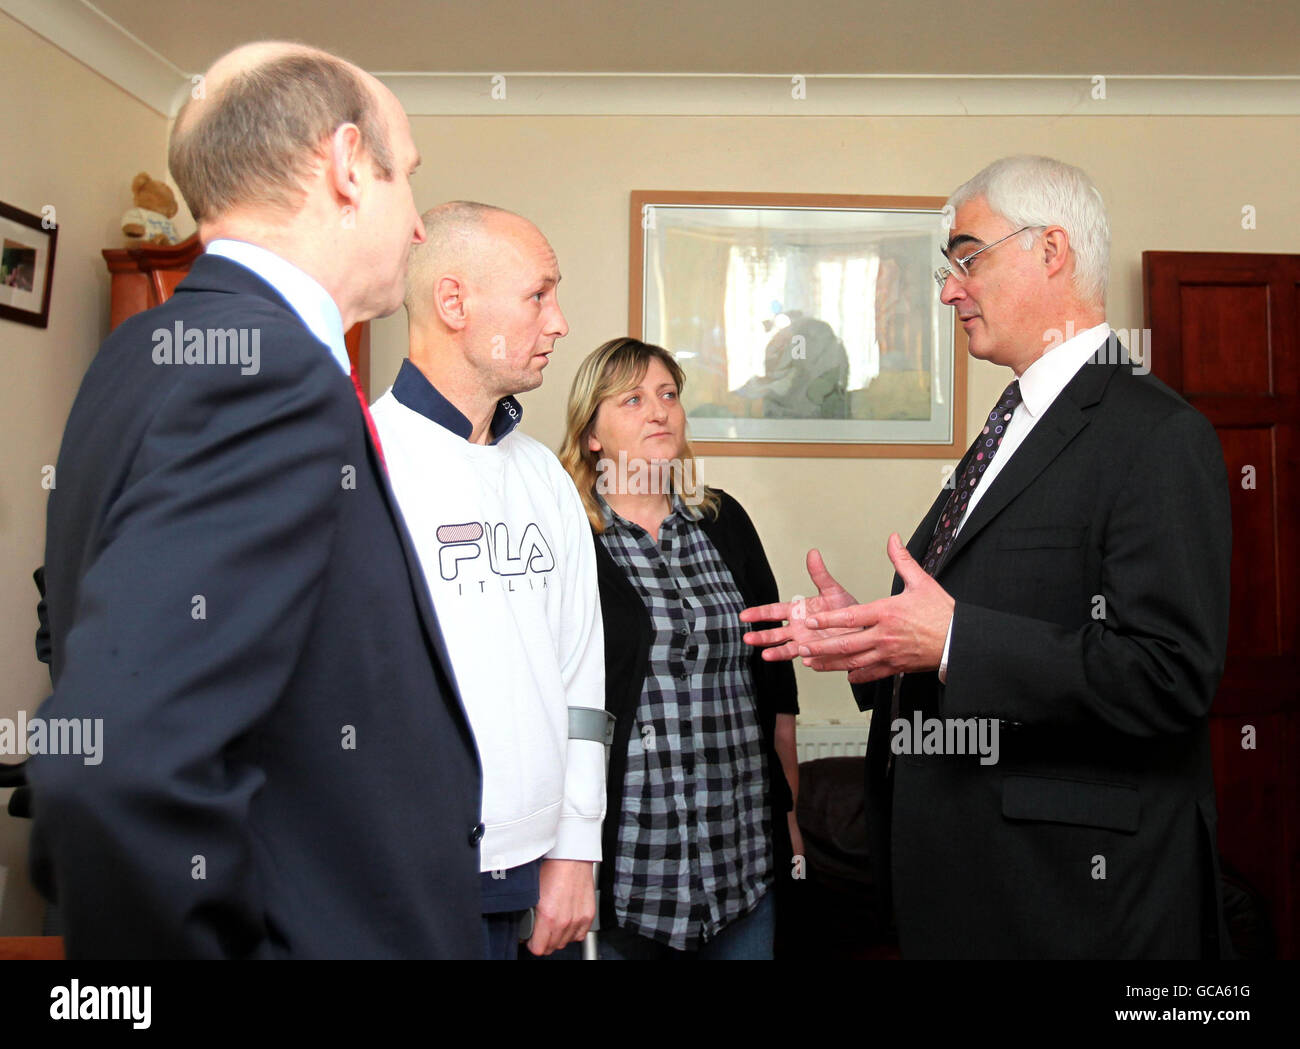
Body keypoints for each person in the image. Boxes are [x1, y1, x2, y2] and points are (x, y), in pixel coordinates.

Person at [28, 42, 482, 958]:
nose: (422, 229)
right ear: (349, 165)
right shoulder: (271, 370)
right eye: (410, 181)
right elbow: (116, 766)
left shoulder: (143, 352)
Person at [742, 156, 1232, 959]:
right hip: (966, 889)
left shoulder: (1156, 434)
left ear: (1052, 250)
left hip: (1072, 903)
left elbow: (1169, 675)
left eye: (967, 258)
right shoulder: (1014, 423)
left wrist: (953, 640)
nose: (946, 290)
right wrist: (877, 645)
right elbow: (983, 624)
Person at [369, 202, 606, 959]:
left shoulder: (545, 477)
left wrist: (576, 848)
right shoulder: (362, 462)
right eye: (539, 294)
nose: (560, 320)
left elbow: (583, 682)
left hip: (542, 882)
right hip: (405, 879)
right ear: (453, 301)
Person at [559, 337, 801, 959]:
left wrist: (790, 818)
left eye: (668, 394)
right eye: (633, 399)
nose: (658, 411)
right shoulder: (565, 537)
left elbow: (774, 682)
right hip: (631, 873)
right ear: (592, 435)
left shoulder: (725, 523)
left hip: (742, 861)